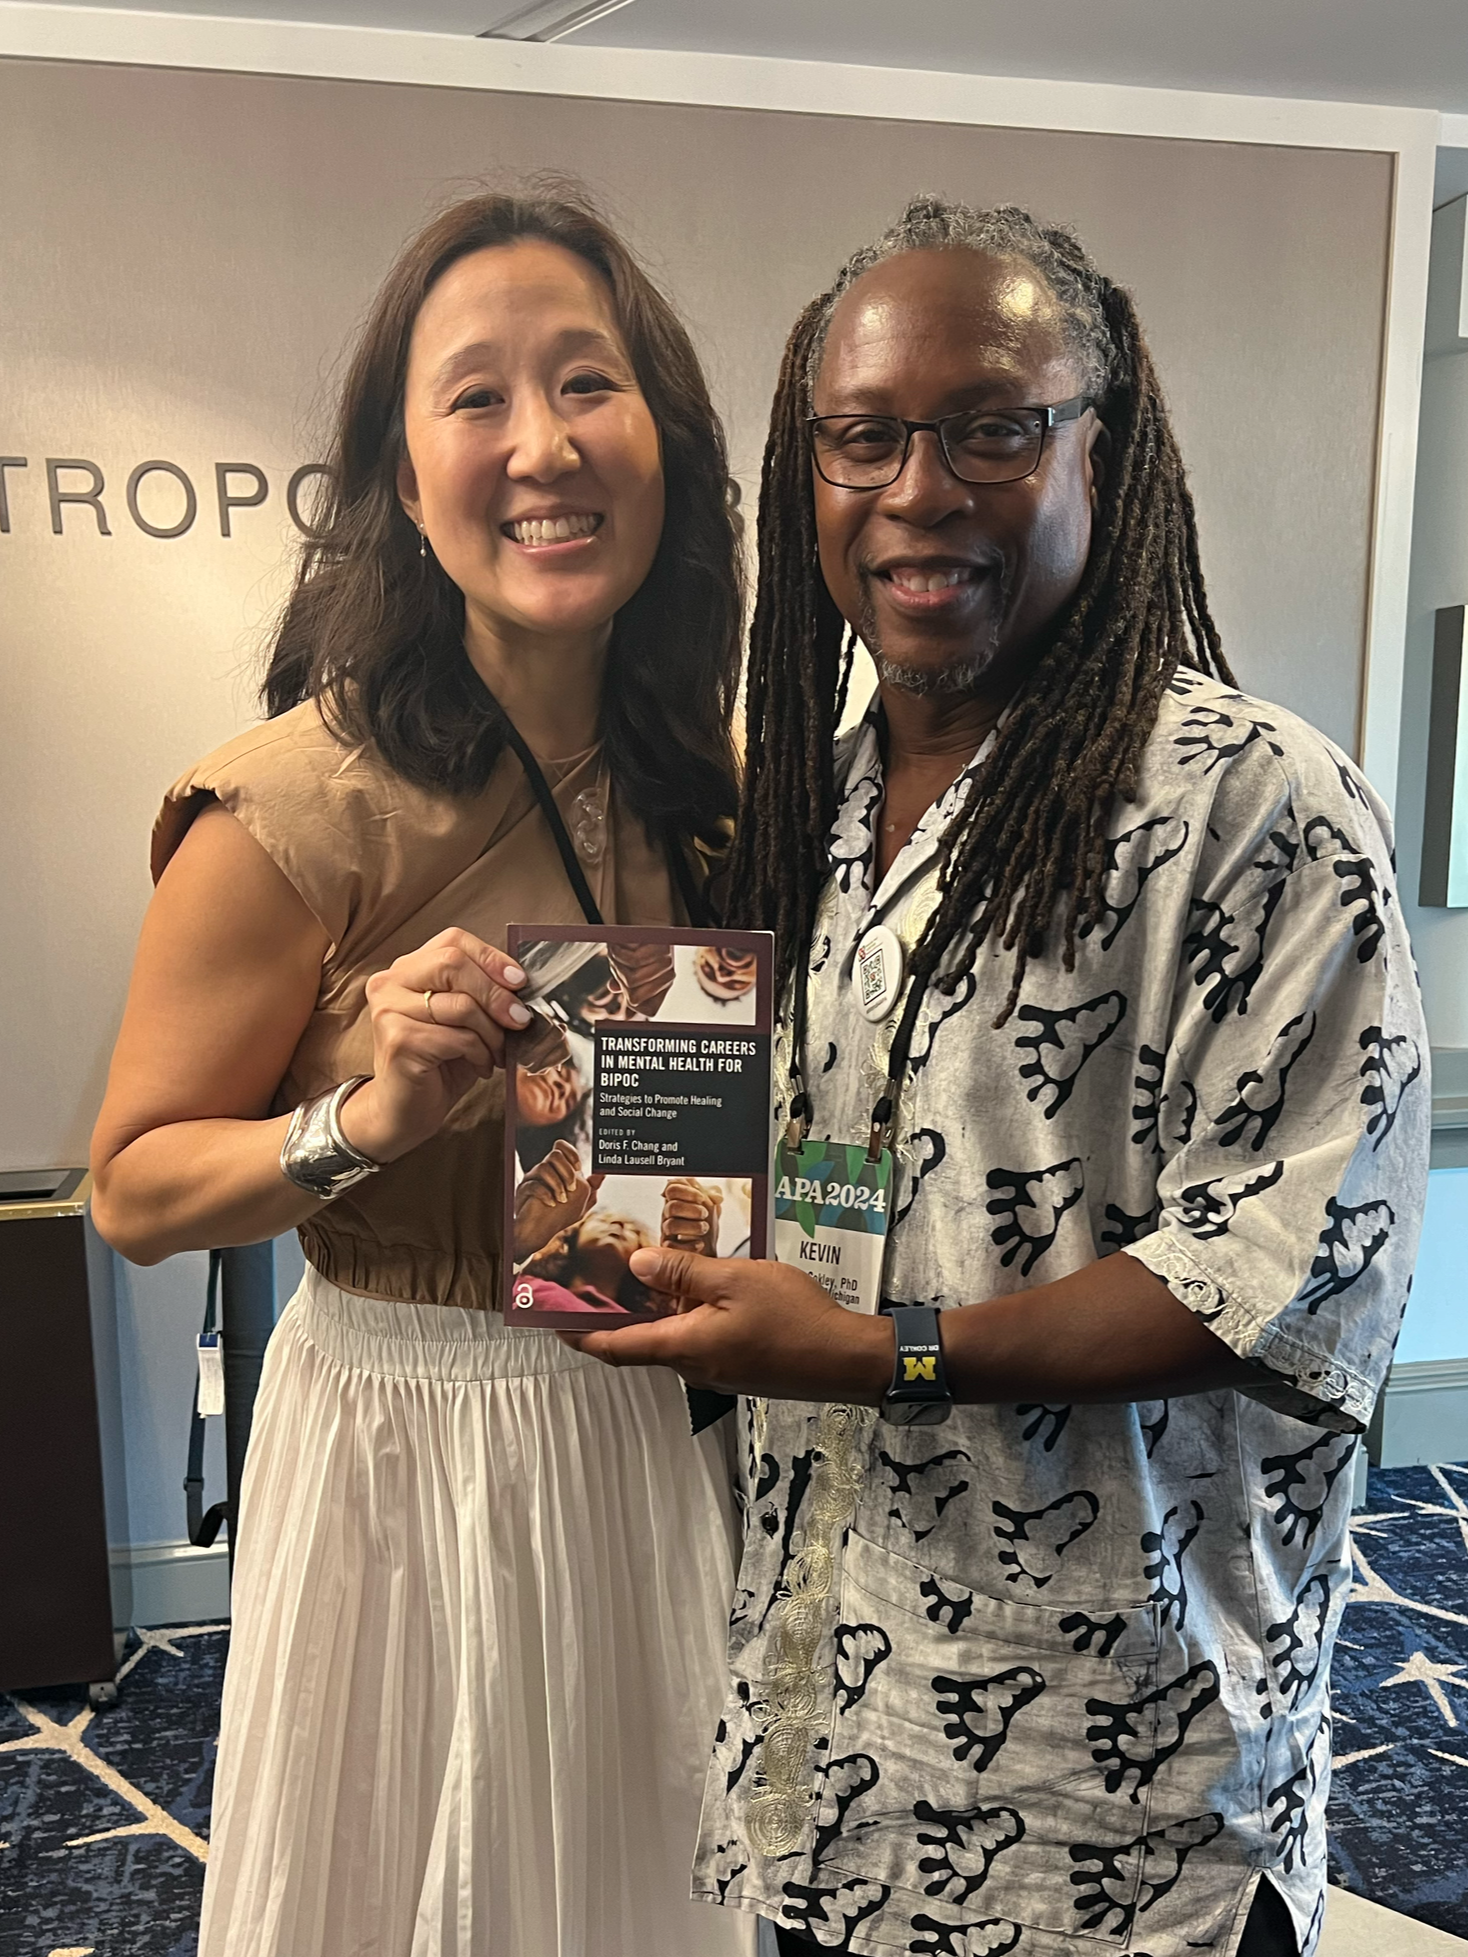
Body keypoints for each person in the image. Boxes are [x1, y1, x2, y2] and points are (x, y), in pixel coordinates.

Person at [566, 199, 1431, 1957]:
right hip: (823, 1753)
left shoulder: (1256, 808)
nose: (919, 490)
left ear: (1103, 449)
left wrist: (878, 1350)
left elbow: (1274, 1273)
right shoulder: (800, 805)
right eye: (864, 437)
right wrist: (561, 1137)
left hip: (1111, 1803)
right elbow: (752, 1177)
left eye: (992, 429)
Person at [89, 187, 754, 1957]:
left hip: (651, 1422)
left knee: (639, 1879)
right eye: (476, 396)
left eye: (589, 383)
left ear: (667, 442)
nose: (543, 445)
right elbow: (133, 1191)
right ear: (401, 474)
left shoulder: (721, 789)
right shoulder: (291, 807)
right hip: (406, 1440)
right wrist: (359, 1123)